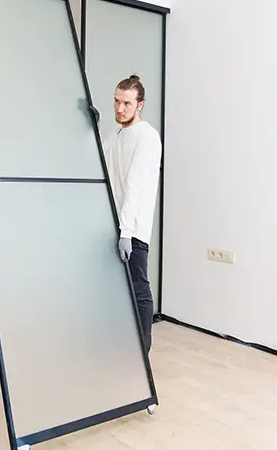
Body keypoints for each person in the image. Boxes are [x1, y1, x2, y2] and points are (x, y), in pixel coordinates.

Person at [103, 74, 162, 355]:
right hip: (113, 227)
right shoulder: (114, 136)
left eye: (126, 103)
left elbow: (135, 186)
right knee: (115, 294)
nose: (119, 108)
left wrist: (126, 231)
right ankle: (119, 352)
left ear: (140, 104)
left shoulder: (147, 137)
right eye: (116, 101)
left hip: (133, 230)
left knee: (139, 292)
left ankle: (141, 360)